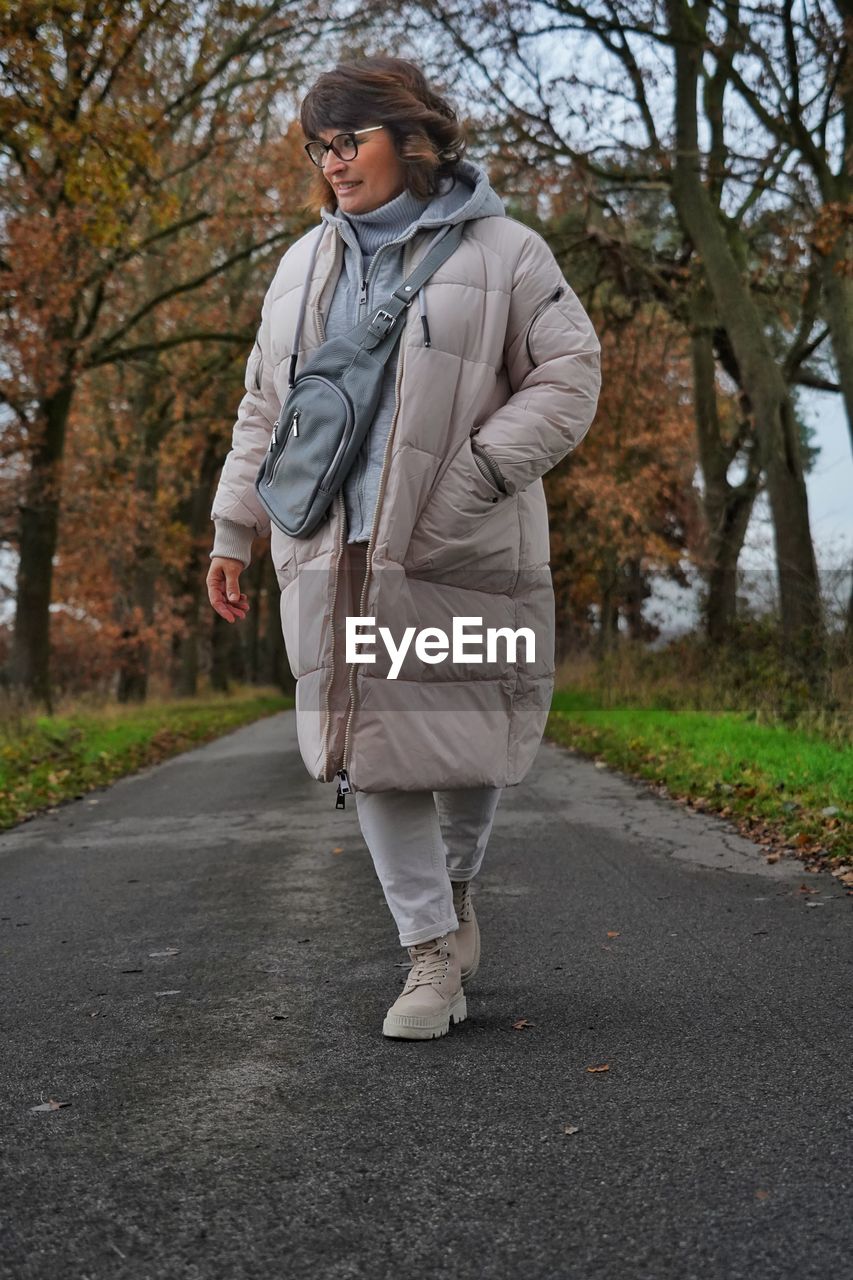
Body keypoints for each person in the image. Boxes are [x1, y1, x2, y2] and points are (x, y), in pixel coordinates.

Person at [206, 56, 601, 1041]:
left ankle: (456, 893)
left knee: (468, 745)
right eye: (319, 147)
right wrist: (235, 527)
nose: (333, 164)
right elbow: (267, 405)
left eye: (351, 140)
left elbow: (568, 375)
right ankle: (428, 951)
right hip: (333, 550)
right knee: (370, 752)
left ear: (412, 138)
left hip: (464, 544)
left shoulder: (506, 251)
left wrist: (473, 476)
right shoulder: (301, 265)